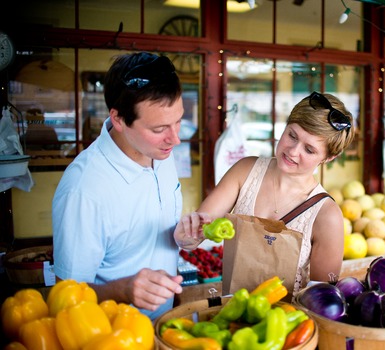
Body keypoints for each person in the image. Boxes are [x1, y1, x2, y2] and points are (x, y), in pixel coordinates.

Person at [174, 91, 355, 296]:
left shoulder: (327, 215)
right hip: (231, 315)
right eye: (292, 135)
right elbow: (194, 235)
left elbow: (323, 299)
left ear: (329, 158)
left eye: (309, 150)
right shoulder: (245, 171)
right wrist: (185, 236)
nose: (293, 151)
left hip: (286, 324)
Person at [52, 52, 185, 320]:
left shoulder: (161, 154)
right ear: (119, 119)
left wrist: (186, 234)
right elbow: (64, 298)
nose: (175, 138)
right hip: (110, 335)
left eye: (178, 121)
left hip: (162, 325)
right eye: (160, 128)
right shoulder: (84, 189)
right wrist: (121, 289)